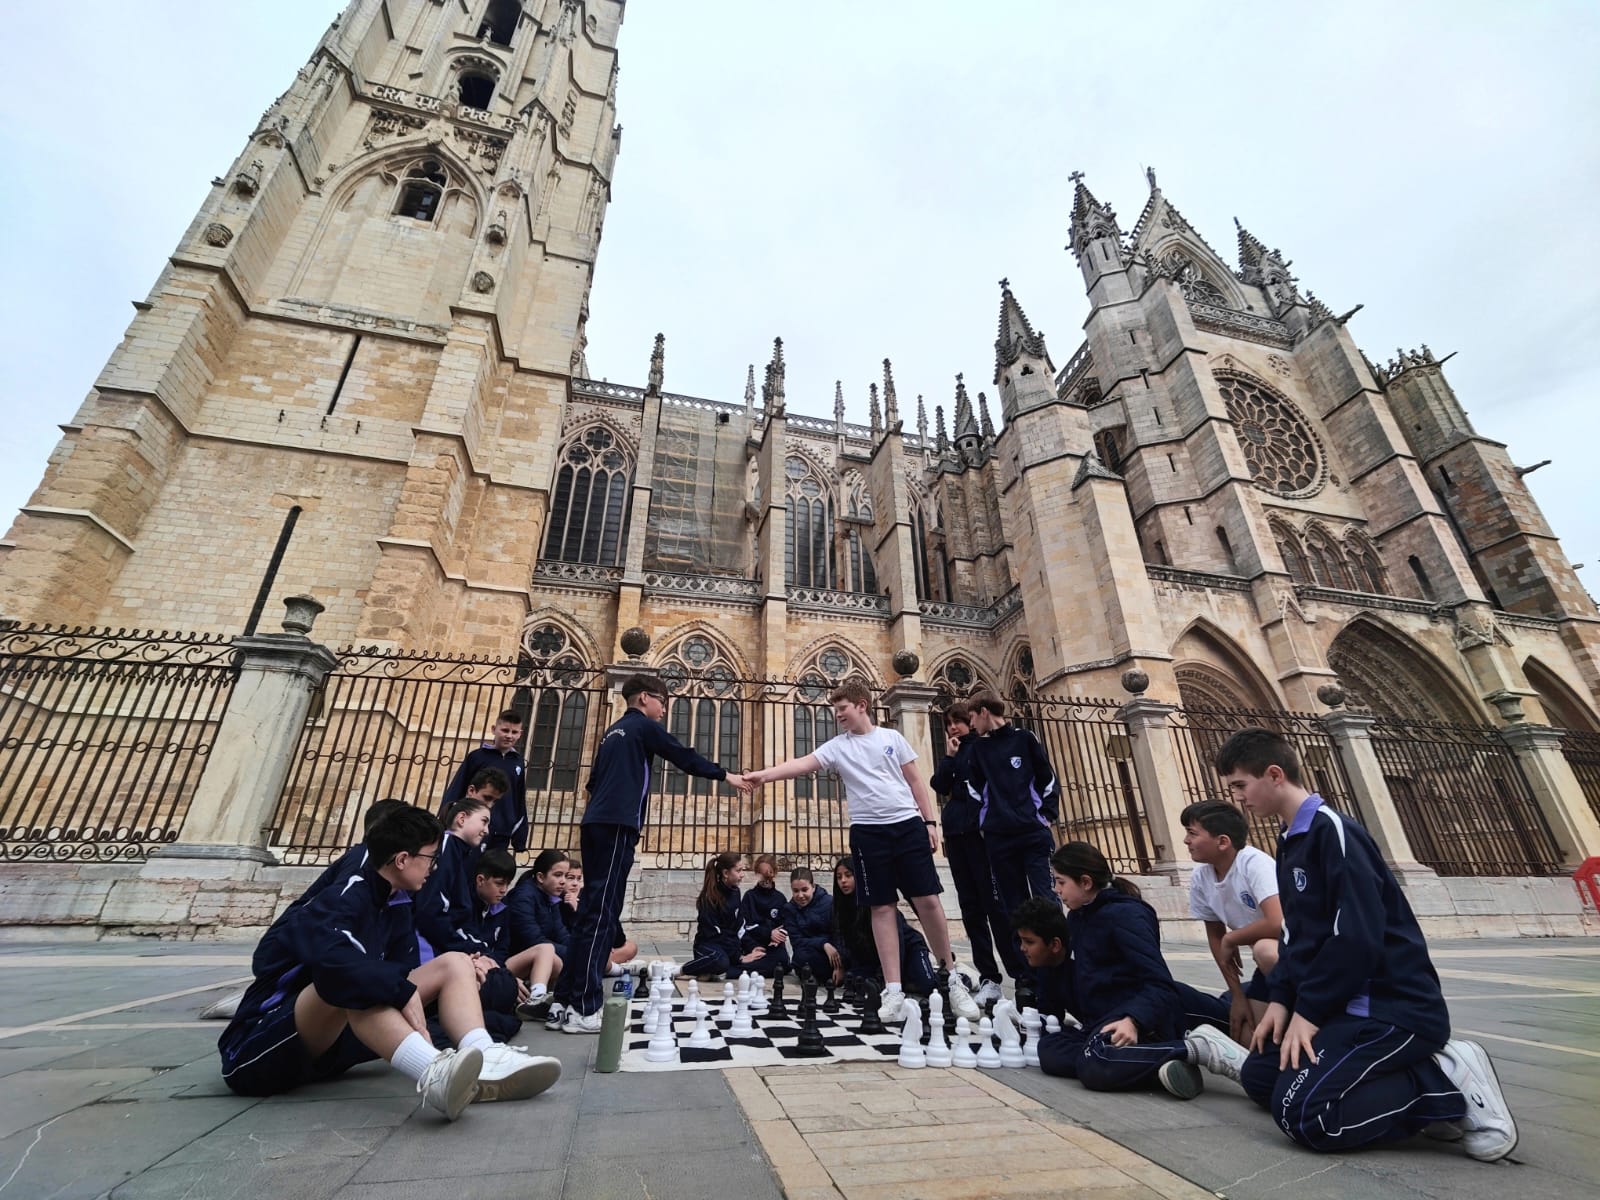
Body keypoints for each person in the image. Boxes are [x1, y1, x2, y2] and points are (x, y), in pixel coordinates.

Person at [1190, 728, 1515, 1160]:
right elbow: (1295, 936)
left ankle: (1440, 1081)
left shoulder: (1334, 832)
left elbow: (1356, 936)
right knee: (1262, 1078)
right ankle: (1413, 1089)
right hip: (1341, 1004)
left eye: (1240, 785)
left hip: (1389, 1008)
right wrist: (1283, 999)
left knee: (1305, 1117)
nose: (1237, 798)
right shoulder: (1289, 840)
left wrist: (1309, 1012)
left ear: (1274, 775)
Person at [217, 805, 561, 1118]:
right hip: (260, 1050)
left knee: (455, 963)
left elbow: (404, 973)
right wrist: (394, 987)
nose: (434, 868)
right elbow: (326, 963)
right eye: (430, 858)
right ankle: (435, 1073)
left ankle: (485, 1054)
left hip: (333, 1046)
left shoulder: (398, 904)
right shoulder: (346, 894)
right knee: (358, 980)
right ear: (402, 860)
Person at [745, 680, 980, 1023]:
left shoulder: (892, 738)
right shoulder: (838, 747)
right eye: (835, 709)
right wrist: (763, 776)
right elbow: (802, 764)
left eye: (841, 708)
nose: (836, 714)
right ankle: (894, 990)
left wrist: (930, 822)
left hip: (907, 825)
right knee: (881, 908)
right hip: (868, 833)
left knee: (928, 901)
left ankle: (951, 978)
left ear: (861, 706)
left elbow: (915, 780)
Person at [553, 674, 751, 1033]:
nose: (664, 710)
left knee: (590, 915)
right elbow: (683, 756)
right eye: (663, 701)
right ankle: (584, 1007)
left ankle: (564, 1002)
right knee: (601, 915)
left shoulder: (612, 732)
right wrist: (727, 776)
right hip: (617, 825)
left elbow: (592, 782)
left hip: (595, 822)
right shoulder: (641, 726)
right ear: (645, 697)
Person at [1027, 841, 1206, 1097]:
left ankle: (1193, 1050)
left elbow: (1159, 984)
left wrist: (1133, 1020)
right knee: (1049, 1049)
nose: (1056, 889)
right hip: (1103, 1021)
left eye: (1061, 882)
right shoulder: (1078, 916)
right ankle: (1161, 1067)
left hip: (1139, 1020)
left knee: (1095, 1062)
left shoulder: (1126, 915)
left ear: (1085, 882)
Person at [963, 692, 1061, 1000]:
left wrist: (1046, 815)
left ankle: (1057, 970)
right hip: (999, 838)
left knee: (1046, 900)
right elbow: (973, 789)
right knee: (1012, 907)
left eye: (971, 717)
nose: (970, 724)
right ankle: (1026, 977)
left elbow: (1047, 778)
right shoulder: (978, 749)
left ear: (983, 712)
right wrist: (985, 823)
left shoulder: (1025, 739)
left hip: (1033, 833)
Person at [930, 701, 1019, 1007]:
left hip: (982, 835)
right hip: (957, 834)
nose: (952, 728)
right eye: (948, 724)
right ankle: (989, 978)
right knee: (971, 909)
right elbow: (939, 784)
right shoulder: (955, 753)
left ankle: (1019, 975)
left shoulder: (985, 748)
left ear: (970, 721)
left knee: (995, 907)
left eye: (957, 721)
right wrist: (949, 757)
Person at [1176, 799, 1281, 1044]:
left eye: (1192, 833)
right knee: (1247, 1036)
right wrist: (1237, 996)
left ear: (1223, 842)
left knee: (1265, 950)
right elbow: (1215, 936)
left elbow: (1277, 922)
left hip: (1295, 955)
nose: (1186, 841)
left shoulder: (1254, 863)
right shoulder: (1201, 877)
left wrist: (1232, 938)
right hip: (1266, 969)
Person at [825, 856, 936, 995]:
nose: (843, 881)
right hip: (875, 960)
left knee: (928, 985)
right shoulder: (838, 908)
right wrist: (840, 966)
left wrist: (892, 978)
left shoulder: (877, 903)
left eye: (848, 875)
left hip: (907, 950)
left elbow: (898, 942)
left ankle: (955, 977)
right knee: (853, 981)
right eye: (839, 877)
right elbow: (843, 941)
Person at [414, 793, 495, 961]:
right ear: (462, 818)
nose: (487, 831)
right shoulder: (445, 847)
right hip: (429, 947)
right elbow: (432, 910)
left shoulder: (460, 853)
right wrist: (466, 948)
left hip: (450, 943)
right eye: (484, 821)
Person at [682, 852, 783, 979]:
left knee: (775, 963)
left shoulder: (735, 893)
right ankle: (680, 970)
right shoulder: (710, 898)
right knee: (721, 961)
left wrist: (753, 947)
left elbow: (740, 927)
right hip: (711, 948)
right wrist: (739, 957)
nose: (742, 874)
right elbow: (716, 935)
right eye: (739, 870)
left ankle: (722, 974)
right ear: (726, 873)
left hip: (731, 949)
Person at [441, 709, 528, 853]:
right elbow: (458, 787)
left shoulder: (518, 762)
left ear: (520, 734)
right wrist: (446, 820)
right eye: (505, 730)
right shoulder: (477, 757)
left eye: (514, 732)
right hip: (474, 827)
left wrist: (520, 837)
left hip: (502, 831)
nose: (509, 736)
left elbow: (519, 798)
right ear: (494, 729)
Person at [504, 848, 572, 1025]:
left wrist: (581, 952)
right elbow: (532, 940)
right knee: (546, 949)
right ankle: (536, 998)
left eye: (566, 876)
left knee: (562, 960)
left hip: (535, 960)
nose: (563, 881)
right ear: (541, 877)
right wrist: (575, 956)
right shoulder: (523, 897)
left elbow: (561, 933)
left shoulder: (550, 897)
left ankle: (552, 998)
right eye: (558, 875)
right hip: (510, 961)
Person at [738, 852, 791, 972]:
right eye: (762, 875)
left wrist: (778, 937)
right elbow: (747, 925)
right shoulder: (750, 897)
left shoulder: (780, 898)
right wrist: (767, 934)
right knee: (762, 960)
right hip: (753, 944)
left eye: (769, 875)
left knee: (782, 963)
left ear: (774, 873)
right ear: (757, 874)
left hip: (773, 946)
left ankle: (743, 969)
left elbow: (785, 923)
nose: (766, 880)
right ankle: (736, 970)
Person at [782, 866, 833, 982]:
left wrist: (839, 965)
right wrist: (823, 944)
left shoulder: (829, 903)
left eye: (804, 890)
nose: (800, 895)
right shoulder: (789, 909)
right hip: (809, 954)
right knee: (800, 957)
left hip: (831, 954)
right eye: (796, 891)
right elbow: (797, 941)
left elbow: (838, 934)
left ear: (813, 887)